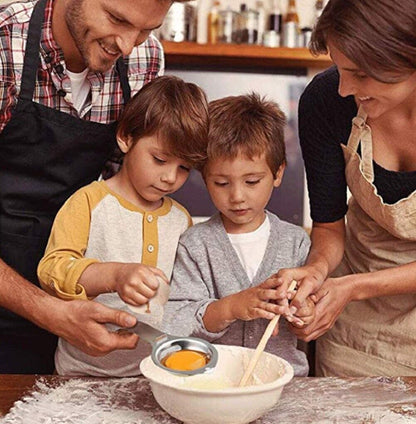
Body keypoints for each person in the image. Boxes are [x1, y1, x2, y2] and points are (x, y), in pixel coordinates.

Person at [0, 0, 176, 373]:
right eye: (117, 19)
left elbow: (120, 192)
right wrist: (49, 311)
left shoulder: (145, 60)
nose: (128, 45)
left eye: (146, 30)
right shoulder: (4, 43)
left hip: (74, 312)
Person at [275, 0, 416, 376]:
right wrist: (318, 271)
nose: (343, 89)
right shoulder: (325, 102)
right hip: (355, 325)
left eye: (360, 75)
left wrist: (354, 287)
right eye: (339, 68)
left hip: (356, 289)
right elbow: (328, 227)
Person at [37, 75, 209, 376]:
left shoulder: (181, 220)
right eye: (159, 159)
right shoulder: (89, 202)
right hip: (82, 372)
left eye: (184, 168)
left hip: (152, 373)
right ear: (126, 138)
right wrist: (115, 275)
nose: (170, 177)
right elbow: (51, 271)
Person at [162, 93, 314, 377]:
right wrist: (231, 307)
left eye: (252, 181)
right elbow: (175, 320)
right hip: (214, 385)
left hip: (284, 386)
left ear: (278, 173)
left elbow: (308, 326)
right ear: (204, 178)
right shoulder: (195, 245)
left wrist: (304, 315)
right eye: (221, 183)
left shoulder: (297, 243)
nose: (237, 197)